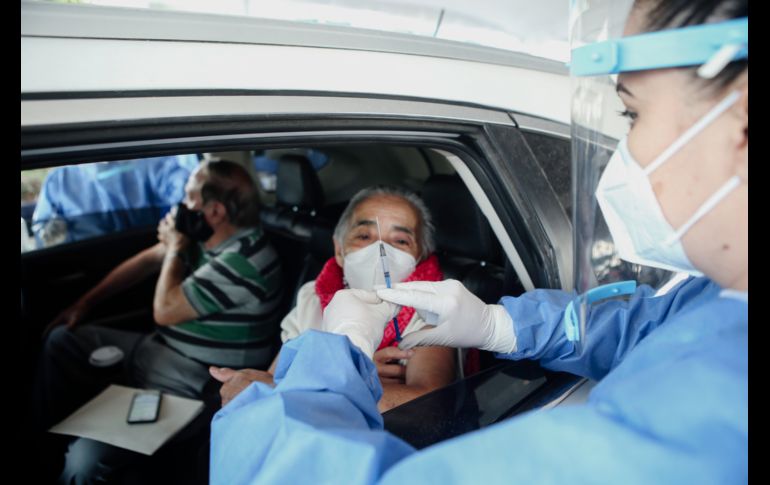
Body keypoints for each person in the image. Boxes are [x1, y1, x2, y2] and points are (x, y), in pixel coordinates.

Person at [209, 0, 747, 483]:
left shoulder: (711, 414)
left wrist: (297, 388)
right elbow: (641, 327)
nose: (622, 153)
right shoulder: (716, 306)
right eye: (364, 233)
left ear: (741, 121)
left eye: (632, 113)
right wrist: (498, 324)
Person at [35, 159, 283, 483]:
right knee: (61, 340)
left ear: (215, 211)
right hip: (154, 351)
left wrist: (176, 248)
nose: (181, 205)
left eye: (189, 197)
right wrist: (83, 305)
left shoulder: (246, 260)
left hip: (190, 381)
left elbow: (164, 310)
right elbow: (145, 262)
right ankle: (41, 449)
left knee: (84, 462)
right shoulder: (206, 236)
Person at [210, 186, 457, 412]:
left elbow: (428, 405)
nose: (380, 250)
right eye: (364, 236)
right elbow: (273, 378)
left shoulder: (433, 311)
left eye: (400, 241)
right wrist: (357, 376)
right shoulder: (312, 298)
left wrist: (297, 387)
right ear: (339, 250)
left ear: (420, 255)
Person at [31, 154, 199, 248]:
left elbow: (186, 199)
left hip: (152, 251)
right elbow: (43, 232)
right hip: (87, 262)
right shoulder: (60, 179)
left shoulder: (154, 163)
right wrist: (52, 231)